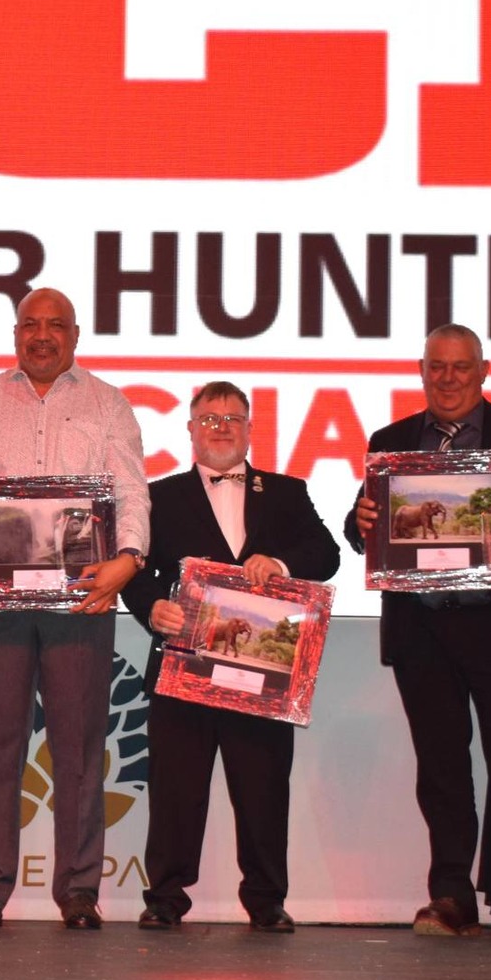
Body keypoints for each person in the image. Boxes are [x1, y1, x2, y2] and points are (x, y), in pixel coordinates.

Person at [344, 323, 491, 939]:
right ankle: (449, 894)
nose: (448, 379)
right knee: (441, 771)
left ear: (483, 371)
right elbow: (368, 529)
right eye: (437, 367)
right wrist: (359, 520)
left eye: (461, 367)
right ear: (422, 372)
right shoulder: (390, 442)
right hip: (423, 631)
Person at [0, 287, 149, 930]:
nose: (43, 336)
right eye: (31, 324)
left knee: (79, 749)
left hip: (81, 599)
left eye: (56, 325)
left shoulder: (108, 403)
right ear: (15, 333)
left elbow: (131, 491)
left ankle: (79, 890)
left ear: (76, 335)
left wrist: (129, 558)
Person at [120, 381, 340, 931]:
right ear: (191, 430)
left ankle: (267, 901)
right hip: (183, 668)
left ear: (250, 429)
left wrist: (281, 564)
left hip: (264, 676)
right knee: (176, 792)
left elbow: (327, 554)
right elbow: (135, 570)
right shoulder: (158, 495)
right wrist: (153, 607)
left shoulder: (287, 492)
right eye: (210, 419)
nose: (221, 428)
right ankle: (165, 898)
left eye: (232, 418)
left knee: (263, 790)